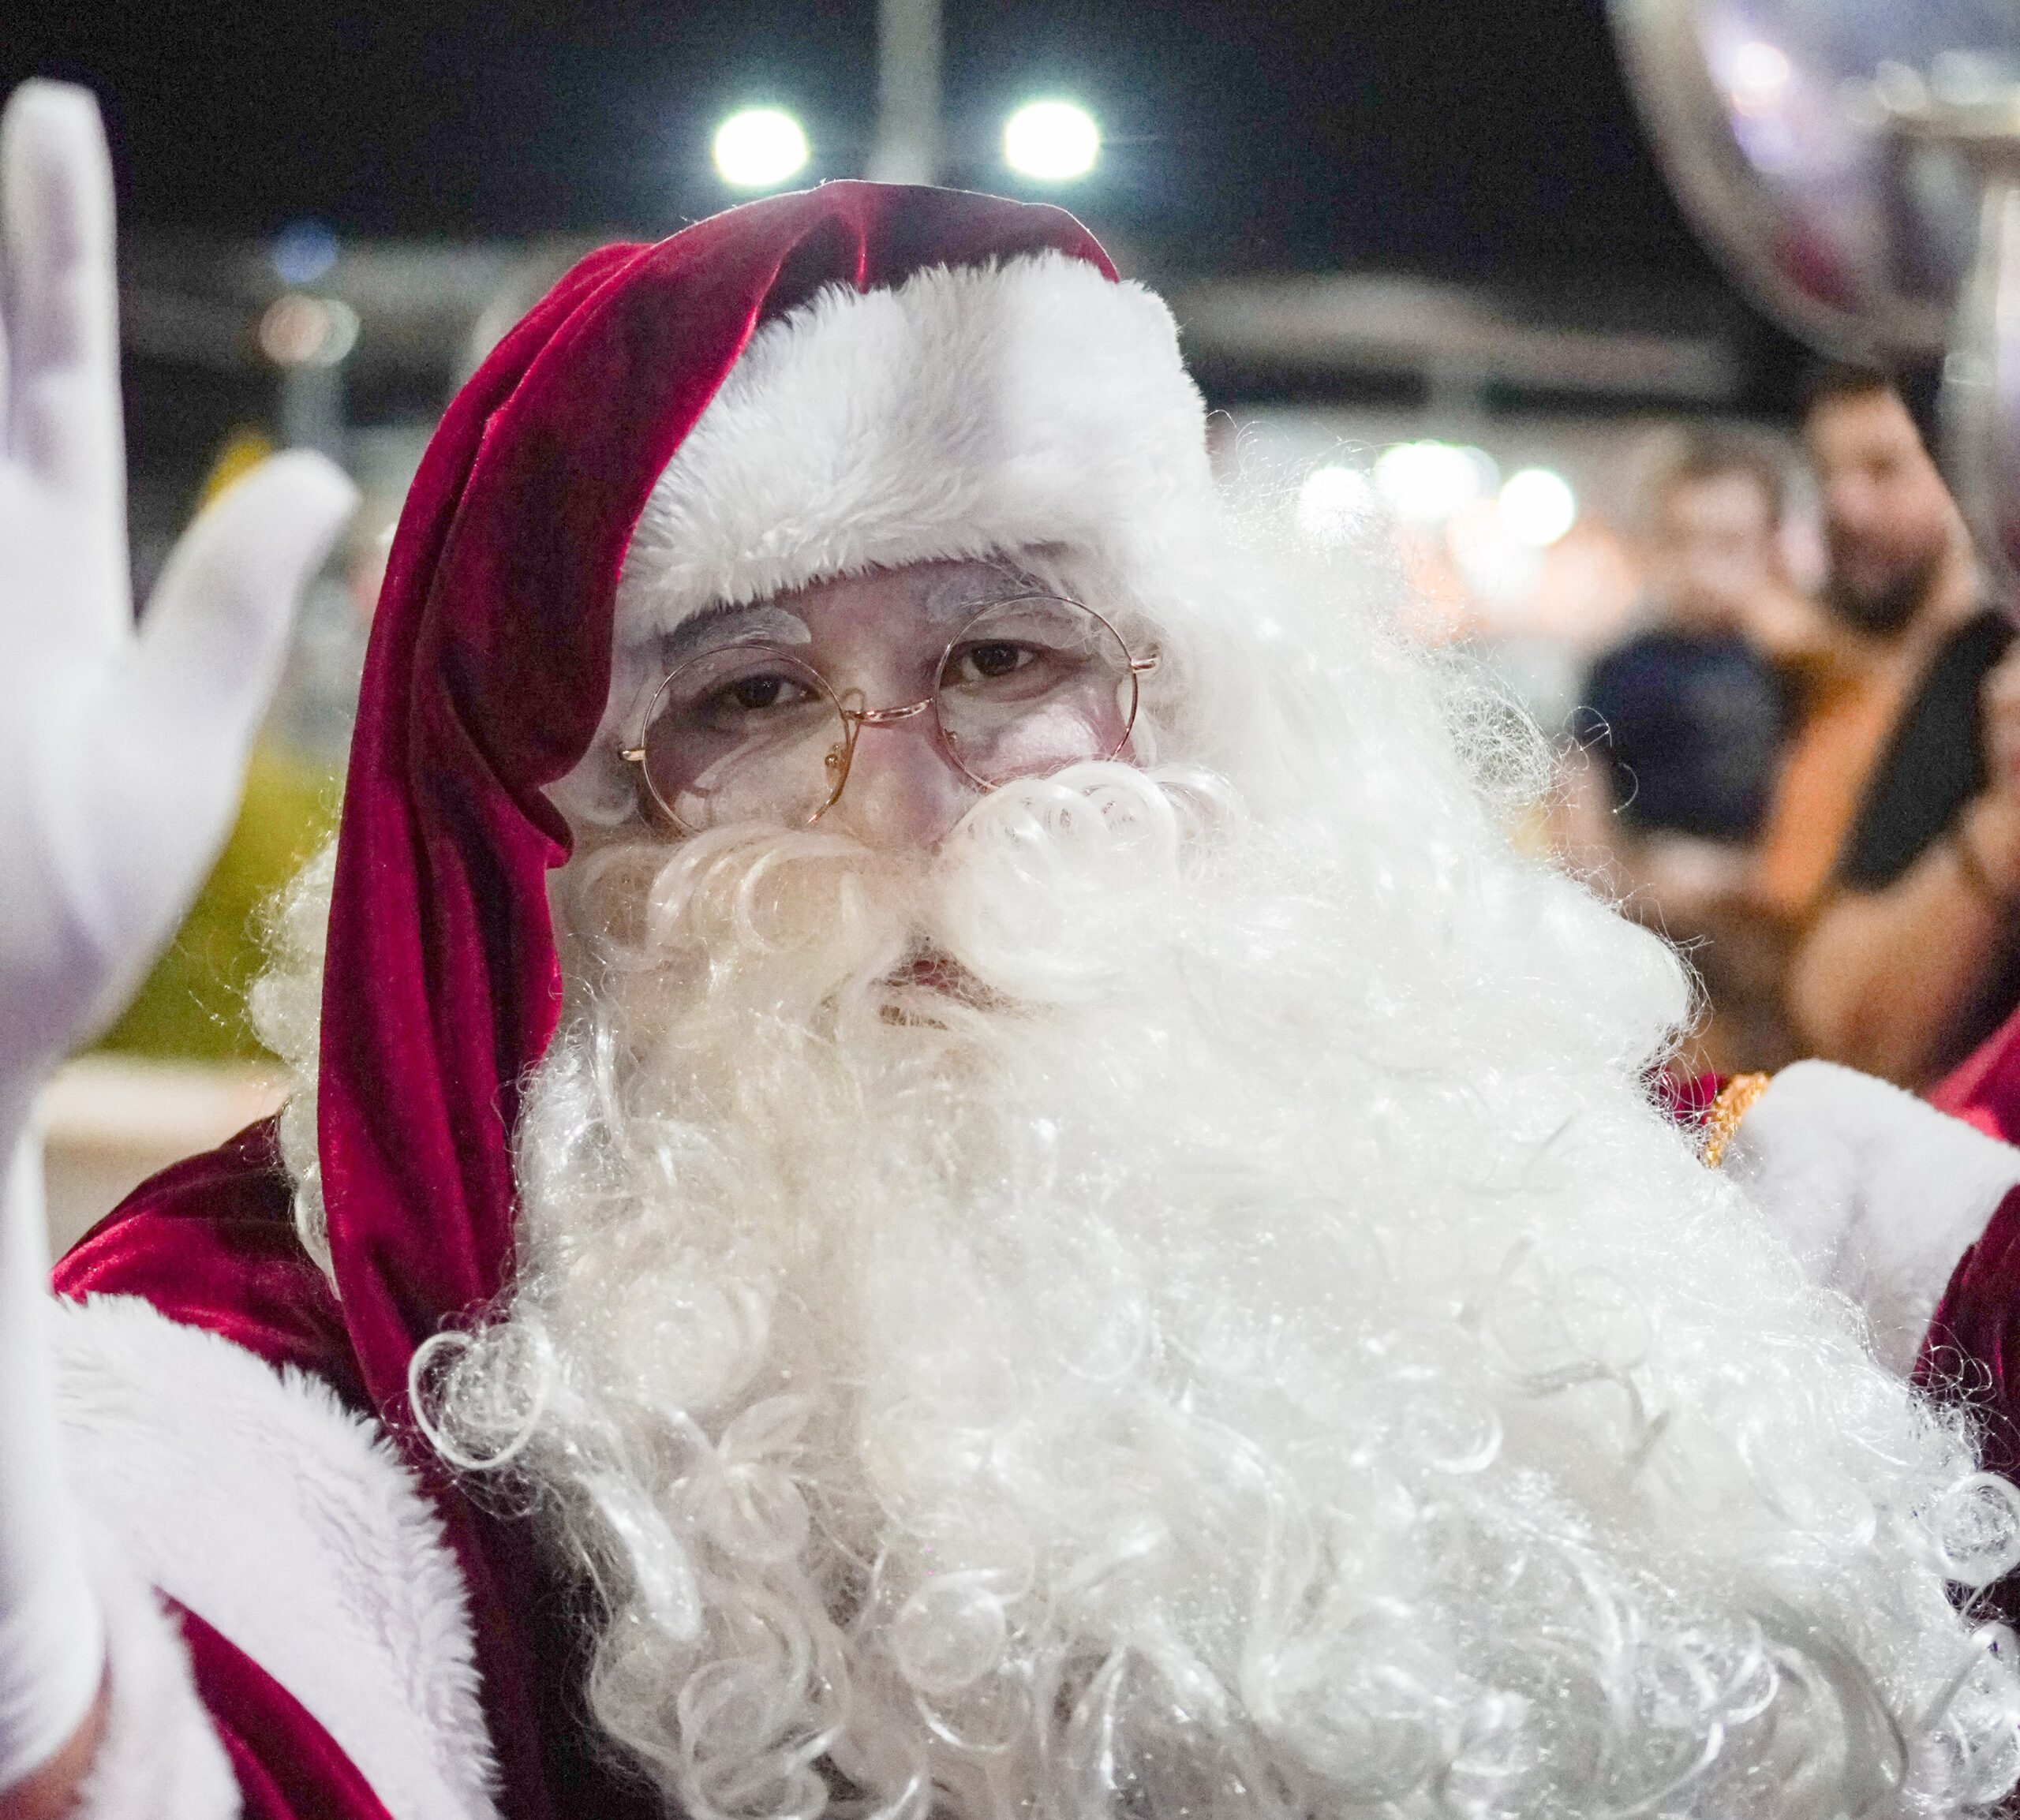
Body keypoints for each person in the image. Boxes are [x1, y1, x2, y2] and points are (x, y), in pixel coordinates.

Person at [16, 78, 2020, 1820]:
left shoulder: (1553, 1186)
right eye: (748, 698)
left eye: (1000, 657)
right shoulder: (342, 1373)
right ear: (566, 820)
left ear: (1184, 702)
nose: (906, 812)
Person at [1783, 368, 2020, 1088]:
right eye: (1827, 472)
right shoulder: (1980, 668)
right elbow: (1832, 1018)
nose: (1845, 504)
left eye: (1884, 467)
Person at [1557, 431, 1808, 1071]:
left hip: (1774, 952)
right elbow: (1578, 833)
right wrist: (1645, 881)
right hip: (1652, 943)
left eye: (1727, 545)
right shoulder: (1623, 670)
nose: (1699, 568)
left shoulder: (1794, 668)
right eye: (1679, 539)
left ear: (1770, 550)